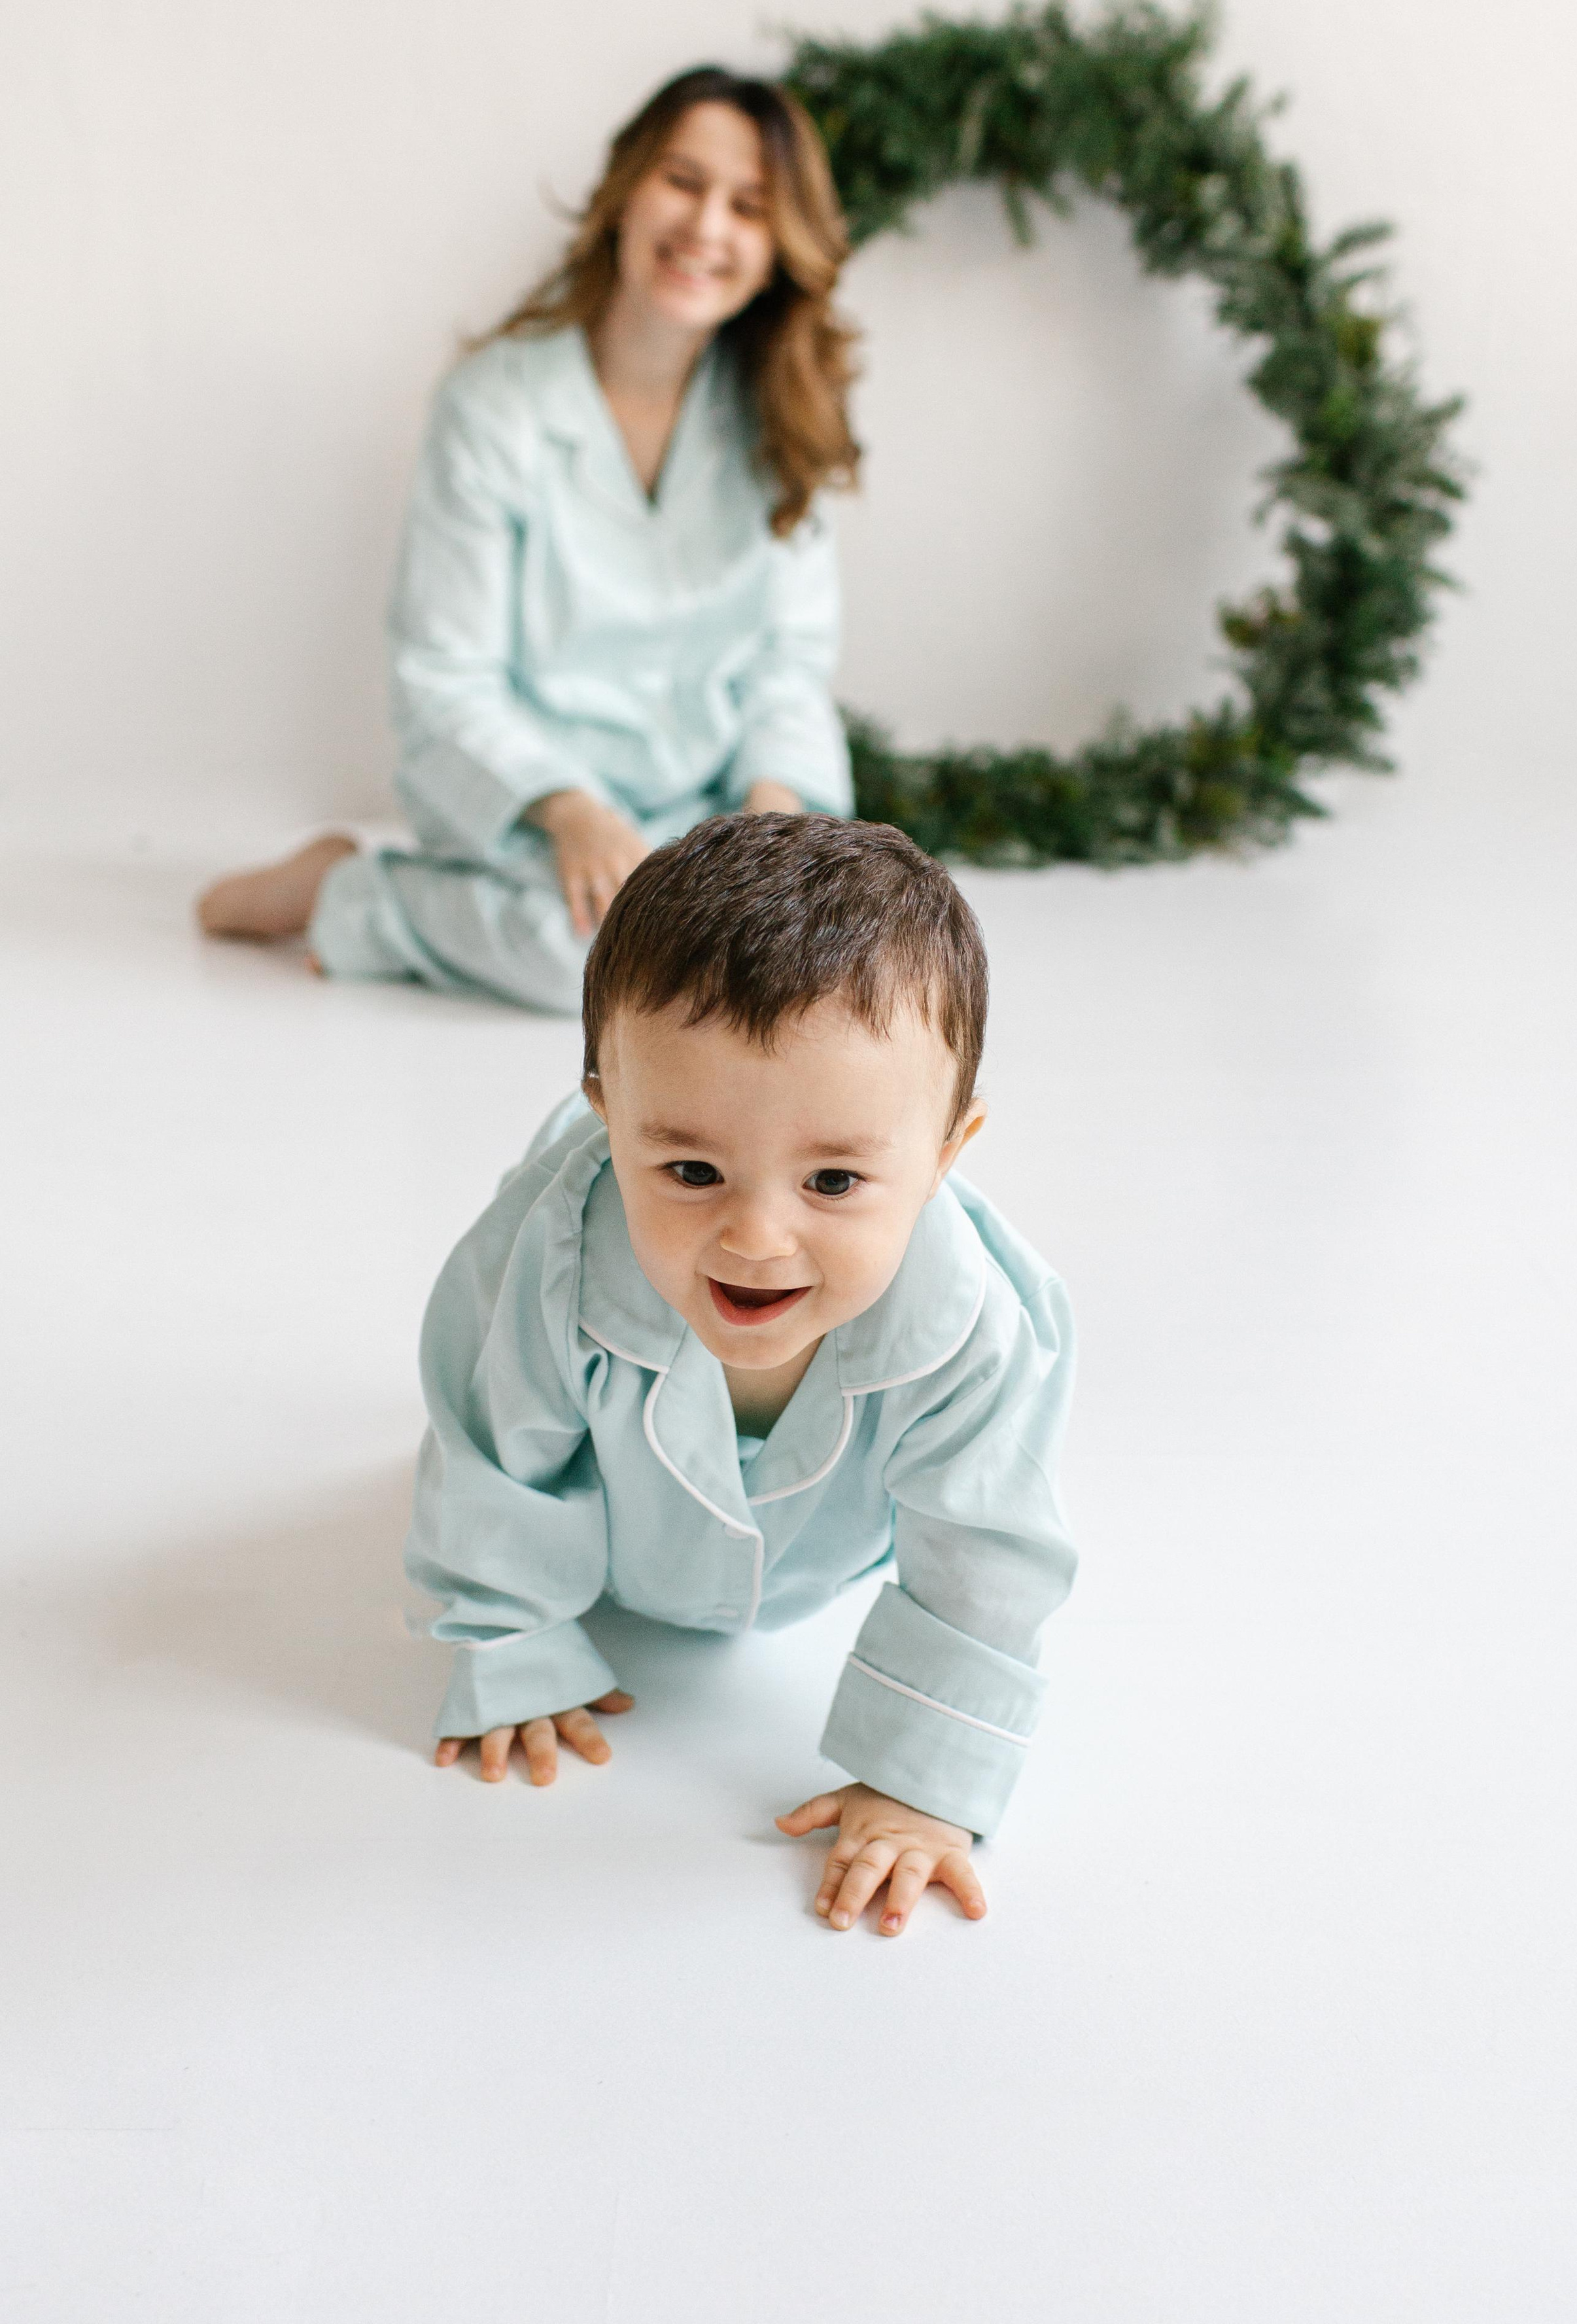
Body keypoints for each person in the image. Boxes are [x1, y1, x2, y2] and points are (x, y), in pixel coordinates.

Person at [409, 812, 1077, 1934]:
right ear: (610, 1119)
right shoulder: (548, 1265)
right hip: (624, 1547)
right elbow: (488, 1440)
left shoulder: (977, 1327)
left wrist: (923, 1776)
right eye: (690, 1168)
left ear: (947, 1155)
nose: (758, 1238)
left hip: (830, 1550)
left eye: (833, 1183)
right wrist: (511, 1637)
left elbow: (986, 1555)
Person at [197, 70, 861, 1008]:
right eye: (682, 181)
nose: (708, 227)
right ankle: (352, 891)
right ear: (625, 192)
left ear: (778, 248)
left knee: (804, 961)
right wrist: (571, 812)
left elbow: (790, 669)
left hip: (710, 816)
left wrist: (770, 830)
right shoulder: (495, 405)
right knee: (597, 969)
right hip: (536, 808)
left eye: (749, 206)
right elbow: (444, 674)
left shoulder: (780, 420)